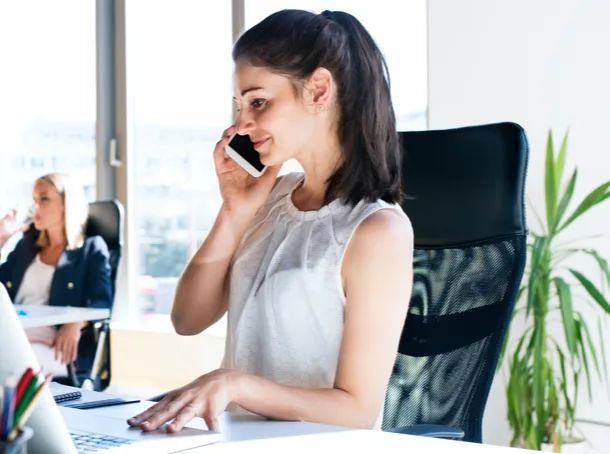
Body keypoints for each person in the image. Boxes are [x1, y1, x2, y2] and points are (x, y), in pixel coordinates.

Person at [128, 9, 414, 433]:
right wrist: (234, 211)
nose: (241, 124)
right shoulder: (271, 197)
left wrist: (237, 385)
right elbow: (187, 320)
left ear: (318, 90)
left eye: (258, 102)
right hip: (234, 440)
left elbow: (357, 410)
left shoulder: (377, 231)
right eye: (240, 106)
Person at [0, 172, 112, 377]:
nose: (35, 207)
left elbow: (102, 302)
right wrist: (1, 239)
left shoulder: (91, 249)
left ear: (67, 204)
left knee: (11, 364)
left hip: (56, 343)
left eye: (44, 199)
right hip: (14, 335)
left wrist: (75, 323)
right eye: (34, 200)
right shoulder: (27, 245)